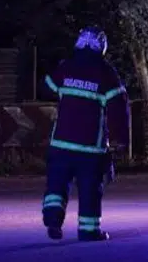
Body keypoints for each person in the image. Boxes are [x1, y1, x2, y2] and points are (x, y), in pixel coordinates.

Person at [40, 26, 130, 242]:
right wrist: (120, 140)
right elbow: (119, 109)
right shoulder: (107, 74)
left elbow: (46, 87)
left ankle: (53, 217)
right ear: (102, 47)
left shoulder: (66, 67)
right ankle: (88, 230)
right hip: (91, 148)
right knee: (90, 188)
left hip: (61, 143)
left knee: (56, 184)